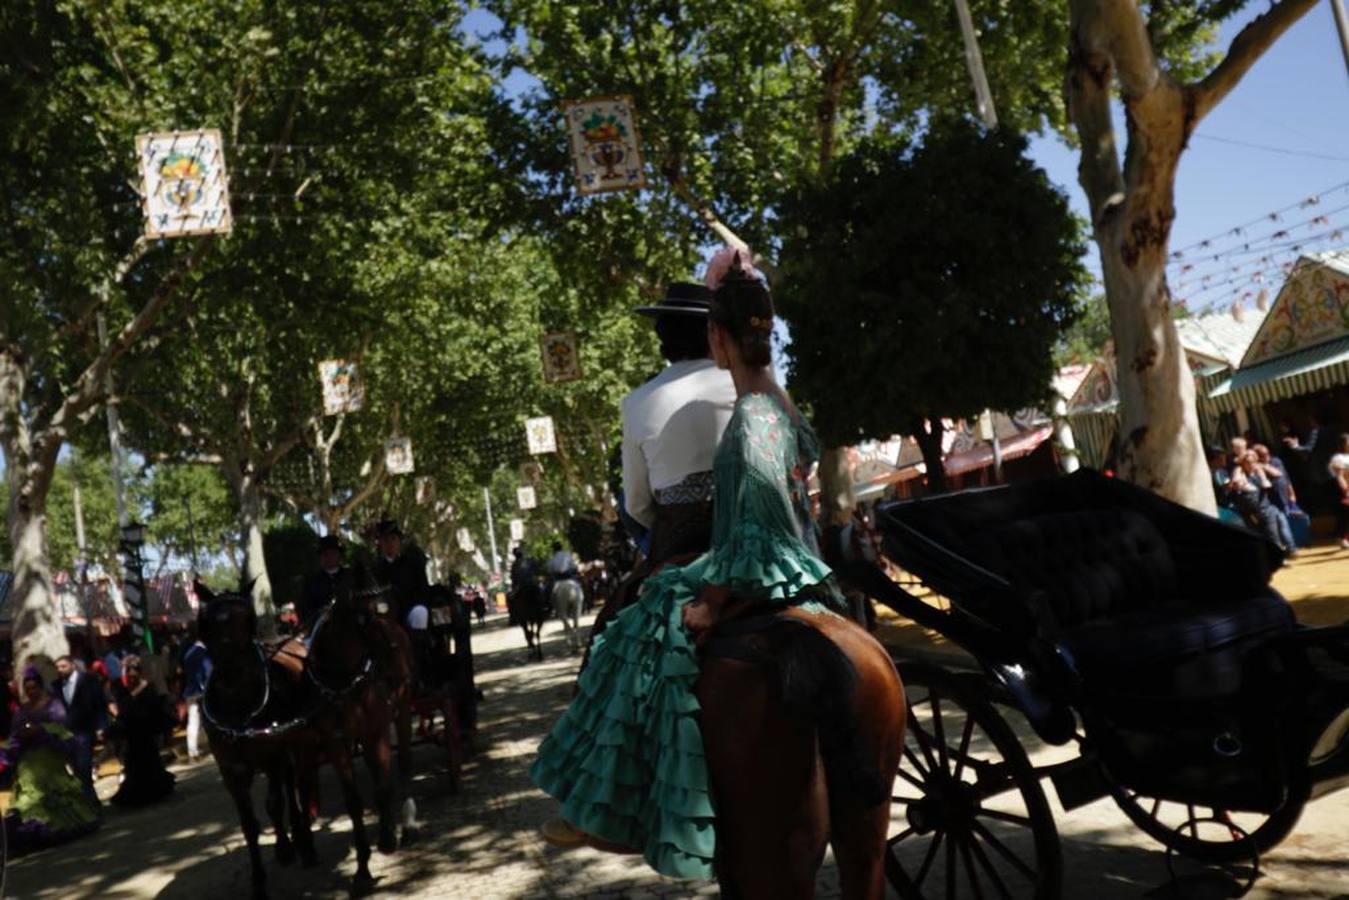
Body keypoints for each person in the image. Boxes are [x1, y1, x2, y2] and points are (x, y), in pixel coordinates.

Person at [532, 247, 840, 879]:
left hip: (710, 553)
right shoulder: (770, 397)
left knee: (620, 648)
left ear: (694, 335)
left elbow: (640, 507)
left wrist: (712, 590)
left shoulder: (642, 402)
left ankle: (615, 805)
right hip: (802, 558)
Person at [622, 280, 738, 565]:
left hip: (679, 541)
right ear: (715, 334)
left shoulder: (636, 401)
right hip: (748, 528)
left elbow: (637, 506)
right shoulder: (741, 382)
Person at [3, 669, 101, 851]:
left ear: (40, 687)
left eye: (34, 688)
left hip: (49, 758)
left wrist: (41, 730)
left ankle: (55, 826)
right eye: (28, 688)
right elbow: (14, 736)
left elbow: (63, 730)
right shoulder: (21, 711)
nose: (31, 692)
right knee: (28, 793)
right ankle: (31, 830)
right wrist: (21, 735)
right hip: (28, 761)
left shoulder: (52, 705)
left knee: (53, 791)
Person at [108, 656, 176, 807]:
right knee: (134, 763)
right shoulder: (120, 688)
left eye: (133, 673)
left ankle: (156, 791)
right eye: (128, 673)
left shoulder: (148, 687)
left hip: (145, 731)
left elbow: (155, 709)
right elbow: (122, 708)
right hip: (131, 732)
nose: (131, 677)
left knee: (150, 760)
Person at [50, 654, 104, 802]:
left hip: (85, 731)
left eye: (63, 666)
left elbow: (100, 704)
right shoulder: (55, 686)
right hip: (66, 735)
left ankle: (91, 803)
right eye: (58, 668)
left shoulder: (88, 680)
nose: (60, 670)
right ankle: (88, 802)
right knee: (77, 771)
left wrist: (101, 726)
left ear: (72, 666)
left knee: (84, 768)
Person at [1229, 451, 1298, 556]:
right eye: (1247, 462)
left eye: (1252, 461)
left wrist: (1264, 470)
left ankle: (1282, 556)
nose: (1250, 464)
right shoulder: (1240, 472)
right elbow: (1236, 482)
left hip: (1266, 510)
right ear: (1243, 463)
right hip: (1249, 513)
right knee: (1257, 538)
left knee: (1273, 536)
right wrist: (1239, 480)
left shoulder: (1259, 470)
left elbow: (1278, 475)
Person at [373, 520, 431, 631]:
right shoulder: (375, 570)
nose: (389, 544)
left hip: (410, 608)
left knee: (420, 614)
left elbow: (423, 590)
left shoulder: (412, 564)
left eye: (393, 539)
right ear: (380, 544)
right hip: (384, 612)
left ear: (399, 541)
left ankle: (419, 647)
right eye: (385, 540)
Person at [300, 534, 352, 632]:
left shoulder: (350, 577)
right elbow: (304, 608)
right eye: (325, 554)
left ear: (339, 556)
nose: (329, 557)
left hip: (350, 624)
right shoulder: (311, 581)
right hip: (321, 628)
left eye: (333, 553)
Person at [180, 634, 211, 762]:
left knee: (193, 722)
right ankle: (209, 745)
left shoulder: (189, 653)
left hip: (190, 691)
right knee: (208, 719)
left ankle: (192, 750)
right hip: (203, 691)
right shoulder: (204, 653)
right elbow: (208, 672)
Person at [1330, 433, 1349, 549]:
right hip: (1345, 489)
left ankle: (1342, 537)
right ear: (1342, 444)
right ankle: (1341, 537)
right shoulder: (1338, 458)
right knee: (1346, 515)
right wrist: (1346, 491)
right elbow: (1339, 476)